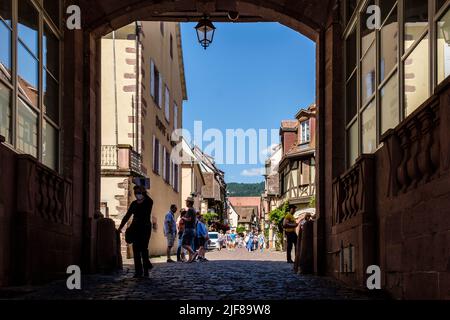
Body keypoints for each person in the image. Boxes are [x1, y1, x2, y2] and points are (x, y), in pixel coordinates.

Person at [118, 185, 153, 278]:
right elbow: (127, 216)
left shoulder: (148, 202)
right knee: (136, 250)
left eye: (139, 192)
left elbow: (146, 209)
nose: (137, 194)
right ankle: (138, 271)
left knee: (144, 249)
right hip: (135, 228)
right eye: (136, 193)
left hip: (145, 228)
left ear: (143, 192)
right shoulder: (133, 204)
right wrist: (120, 227)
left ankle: (146, 271)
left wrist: (144, 191)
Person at [182, 197, 198, 263]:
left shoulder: (190, 210)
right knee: (189, 244)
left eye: (186, 202)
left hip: (188, 229)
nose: (186, 203)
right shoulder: (193, 210)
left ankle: (193, 253)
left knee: (184, 244)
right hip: (193, 229)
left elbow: (189, 219)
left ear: (189, 202)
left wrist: (183, 218)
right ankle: (190, 259)